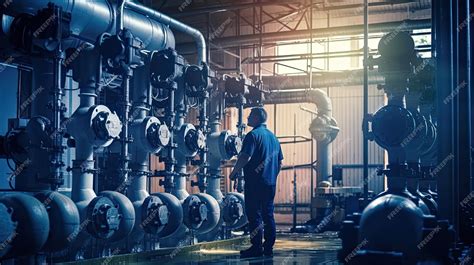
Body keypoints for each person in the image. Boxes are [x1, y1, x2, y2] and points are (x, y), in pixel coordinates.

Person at [229, 107, 284, 258]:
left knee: (254, 214)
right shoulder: (274, 138)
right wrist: (271, 176)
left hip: (254, 183)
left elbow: (245, 156)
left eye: (250, 116)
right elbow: (280, 163)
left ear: (257, 118)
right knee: (268, 214)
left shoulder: (252, 135)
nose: (247, 118)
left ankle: (256, 247)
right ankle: (268, 247)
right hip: (269, 184)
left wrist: (234, 173)